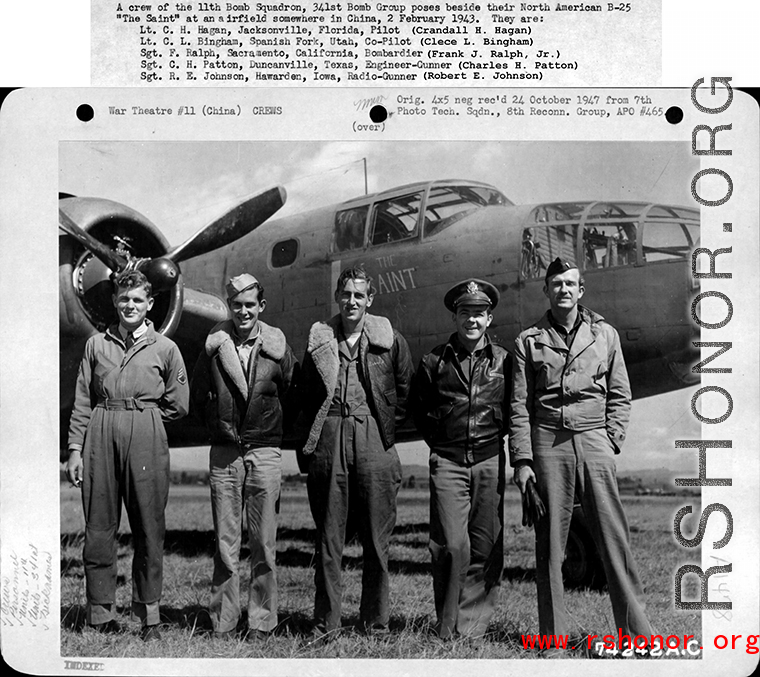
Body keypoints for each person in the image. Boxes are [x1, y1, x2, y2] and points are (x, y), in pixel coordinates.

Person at [510, 257, 652, 647]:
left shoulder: (605, 335)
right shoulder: (528, 340)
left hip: (594, 440)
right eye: (556, 284)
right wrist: (522, 461)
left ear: (581, 290)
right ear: (547, 290)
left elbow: (621, 393)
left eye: (570, 284)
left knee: (613, 539)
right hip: (547, 442)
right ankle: (553, 641)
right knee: (550, 545)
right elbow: (519, 406)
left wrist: (612, 439)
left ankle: (637, 635)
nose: (563, 290)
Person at [65, 270, 189, 641]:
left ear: (150, 304)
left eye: (137, 300)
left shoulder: (165, 348)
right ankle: (100, 613)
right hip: (101, 429)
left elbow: (178, 404)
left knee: (149, 528)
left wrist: (147, 419)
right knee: (99, 526)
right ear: (115, 302)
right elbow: (83, 401)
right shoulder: (95, 345)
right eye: (124, 299)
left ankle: (149, 617)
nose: (130, 305)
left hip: (146, 432)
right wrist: (75, 449)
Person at [296, 266, 413, 640]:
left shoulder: (389, 339)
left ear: (370, 299)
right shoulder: (319, 340)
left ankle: (375, 623)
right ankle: (325, 623)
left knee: (378, 542)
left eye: (359, 295)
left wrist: (379, 428)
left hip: (374, 438)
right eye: (346, 294)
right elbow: (305, 396)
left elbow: (404, 391)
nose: (352, 302)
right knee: (329, 540)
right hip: (330, 438)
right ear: (337, 297)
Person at [190, 273, 297, 640]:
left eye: (250, 305)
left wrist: (270, 429)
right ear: (229, 306)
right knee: (225, 542)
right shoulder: (213, 348)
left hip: (265, 451)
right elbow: (198, 393)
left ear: (261, 307)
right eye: (236, 305)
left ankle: (263, 621)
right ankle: (223, 620)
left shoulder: (278, 349)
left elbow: (292, 394)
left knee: (264, 543)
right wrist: (219, 425)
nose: (243, 311)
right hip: (225, 453)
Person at [411, 279, 511, 640]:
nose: (472, 320)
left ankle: (472, 629)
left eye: (479, 314)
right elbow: (418, 410)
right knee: (451, 545)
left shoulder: (505, 361)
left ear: (489, 318)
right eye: (465, 313)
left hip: (488, 458)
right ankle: (446, 625)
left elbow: (514, 409)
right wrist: (440, 443)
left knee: (485, 546)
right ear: (455, 317)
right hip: (449, 461)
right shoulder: (434, 361)